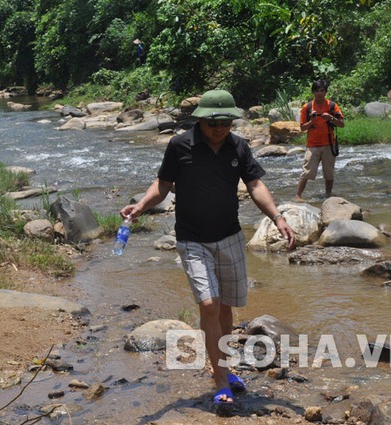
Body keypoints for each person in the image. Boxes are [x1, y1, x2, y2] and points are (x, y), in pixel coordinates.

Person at [119, 89, 296, 408]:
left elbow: (255, 184)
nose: (220, 127)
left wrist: (278, 217)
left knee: (227, 307)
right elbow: (163, 185)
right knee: (209, 304)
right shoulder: (180, 145)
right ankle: (219, 380)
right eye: (213, 121)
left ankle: (226, 369)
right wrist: (140, 206)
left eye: (226, 121)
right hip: (192, 239)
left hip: (229, 236)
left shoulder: (238, 146)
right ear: (200, 119)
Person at [294, 79, 344, 202]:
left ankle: (328, 195)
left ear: (326, 92)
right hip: (313, 145)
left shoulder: (332, 106)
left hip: (329, 144)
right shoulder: (307, 107)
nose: (319, 93)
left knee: (329, 172)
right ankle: (298, 196)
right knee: (306, 171)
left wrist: (331, 118)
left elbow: (342, 124)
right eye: (317, 91)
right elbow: (302, 128)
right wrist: (312, 121)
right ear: (313, 92)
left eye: (322, 91)